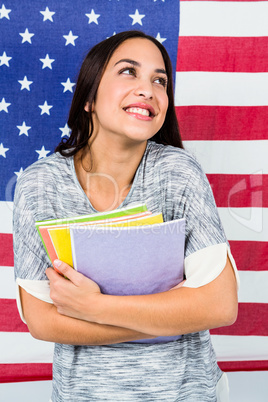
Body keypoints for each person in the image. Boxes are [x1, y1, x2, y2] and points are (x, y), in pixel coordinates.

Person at [13, 30, 239, 401]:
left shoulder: (176, 172)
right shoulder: (40, 184)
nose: (148, 89)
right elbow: (43, 320)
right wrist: (171, 317)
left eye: (159, 80)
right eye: (128, 72)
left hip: (184, 393)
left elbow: (219, 305)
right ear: (89, 98)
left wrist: (93, 307)